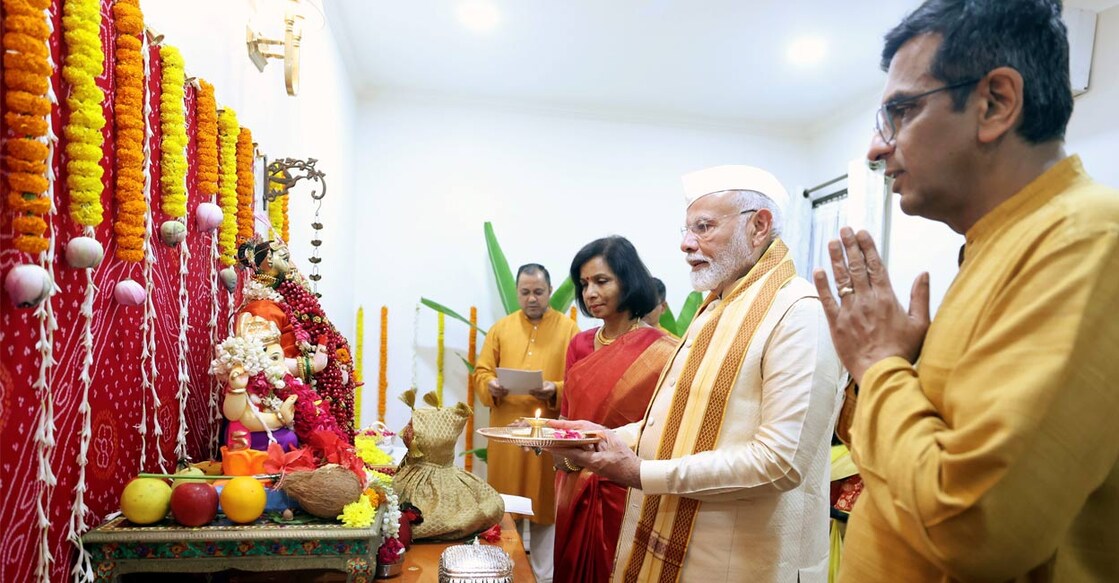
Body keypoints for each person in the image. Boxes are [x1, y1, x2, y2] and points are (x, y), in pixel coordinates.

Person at [812, 2, 1119, 582]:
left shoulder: (1085, 239)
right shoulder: (1001, 240)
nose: (876, 149)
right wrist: (901, 366)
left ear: (995, 103)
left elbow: (974, 526)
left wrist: (878, 365)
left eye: (901, 112)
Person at [550, 165, 845, 582]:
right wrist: (596, 438)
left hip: (743, 564)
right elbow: (672, 421)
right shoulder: (717, 308)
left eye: (703, 227)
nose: (687, 244)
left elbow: (779, 462)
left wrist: (640, 473)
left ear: (759, 226)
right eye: (687, 229)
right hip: (682, 551)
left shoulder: (799, 313)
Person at [554, 237, 677, 583]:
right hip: (572, 480)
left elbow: (663, 428)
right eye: (584, 284)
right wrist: (548, 441)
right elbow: (566, 417)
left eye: (601, 281)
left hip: (626, 486)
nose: (590, 293)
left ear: (628, 281)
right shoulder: (580, 344)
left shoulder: (663, 351)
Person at [474, 263, 580, 583]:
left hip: (547, 433)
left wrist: (554, 389)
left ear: (550, 292)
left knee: (546, 507)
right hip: (507, 432)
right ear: (517, 293)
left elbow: (579, 378)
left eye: (538, 292)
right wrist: (491, 385)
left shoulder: (569, 330)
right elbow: (482, 372)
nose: (532, 298)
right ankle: (507, 573)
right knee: (506, 507)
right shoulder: (501, 329)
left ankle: (545, 578)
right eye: (525, 292)